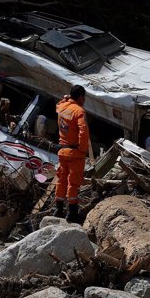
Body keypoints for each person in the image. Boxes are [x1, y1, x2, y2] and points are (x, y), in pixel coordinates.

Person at [53, 85, 90, 223]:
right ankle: (72, 213)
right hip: (75, 152)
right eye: (84, 97)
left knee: (61, 180)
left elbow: (58, 104)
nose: (84, 100)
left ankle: (58, 209)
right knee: (73, 183)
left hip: (62, 150)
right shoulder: (79, 111)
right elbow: (83, 130)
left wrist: (66, 99)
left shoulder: (62, 108)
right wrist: (83, 149)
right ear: (80, 96)